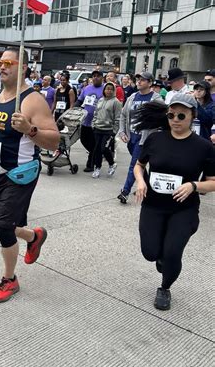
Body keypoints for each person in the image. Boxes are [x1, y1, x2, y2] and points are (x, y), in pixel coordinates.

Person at [0, 48, 59, 304]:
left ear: (23, 68)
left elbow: (53, 141)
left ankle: (9, 280)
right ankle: (33, 236)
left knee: (4, 225)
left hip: (19, 174)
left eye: (8, 63)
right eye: (0, 62)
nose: (2, 66)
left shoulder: (32, 100)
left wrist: (30, 129)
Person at [133, 94, 215, 311]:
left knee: (172, 253)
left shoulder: (204, 147)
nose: (175, 119)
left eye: (181, 115)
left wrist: (193, 186)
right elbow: (139, 165)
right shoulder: (155, 139)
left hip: (183, 209)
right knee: (150, 252)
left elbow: (213, 182)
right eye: (171, 115)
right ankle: (161, 259)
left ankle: (165, 287)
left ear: (192, 116)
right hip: (153, 205)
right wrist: (140, 181)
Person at [117, 71, 162, 204]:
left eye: (143, 80)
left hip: (145, 138)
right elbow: (123, 115)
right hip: (132, 136)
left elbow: (162, 118)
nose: (139, 82)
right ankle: (148, 186)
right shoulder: (132, 97)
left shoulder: (156, 99)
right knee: (140, 164)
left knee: (134, 164)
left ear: (150, 83)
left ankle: (125, 191)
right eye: (138, 79)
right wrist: (122, 131)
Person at [91, 81, 122, 178]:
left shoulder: (116, 102)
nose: (108, 91)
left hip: (108, 130)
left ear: (114, 91)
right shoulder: (100, 100)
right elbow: (96, 112)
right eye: (107, 89)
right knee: (97, 150)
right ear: (104, 90)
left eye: (111, 89)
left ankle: (112, 163)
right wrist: (93, 123)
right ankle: (97, 168)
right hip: (97, 128)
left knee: (104, 148)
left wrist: (114, 131)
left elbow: (118, 117)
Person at [76, 69, 104, 172]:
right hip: (85, 120)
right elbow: (80, 100)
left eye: (98, 76)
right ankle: (96, 154)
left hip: (97, 122)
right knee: (84, 140)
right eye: (94, 76)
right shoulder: (86, 88)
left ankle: (91, 164)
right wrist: (74, 109)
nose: (95, 77)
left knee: (94, 143)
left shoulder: (105, 89)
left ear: (102, 77)